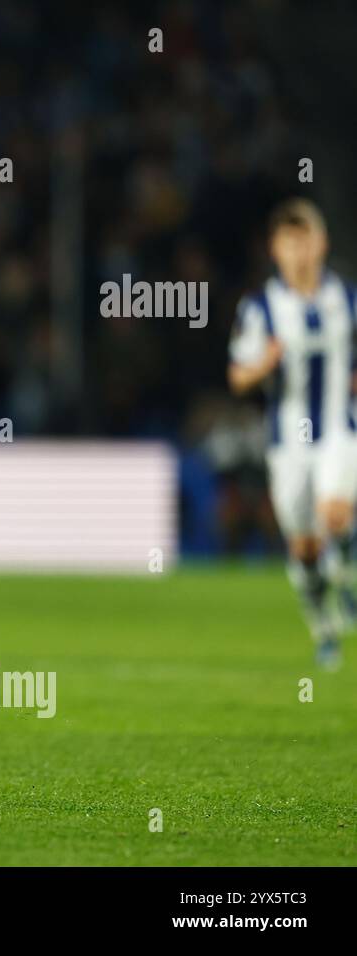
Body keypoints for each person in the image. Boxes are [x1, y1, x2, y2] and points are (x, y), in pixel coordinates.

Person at [228, 197, 357, 671]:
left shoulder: (346, 299)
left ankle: (343, 573)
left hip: (339, 430)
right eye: (289, 243)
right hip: (287, 443)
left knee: (337, 513)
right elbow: (238, 376)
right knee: (302, 546)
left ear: (321, 243)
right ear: (275, 249)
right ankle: (324, 624)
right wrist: (266, 363)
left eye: (306, 241)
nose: (299, 252)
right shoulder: (261, 307)